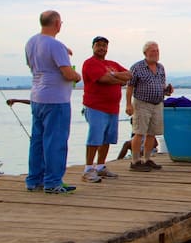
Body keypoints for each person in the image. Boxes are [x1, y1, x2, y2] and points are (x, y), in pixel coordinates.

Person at [24, 10, 81, 194]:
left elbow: (33, 64)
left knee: (38, 140)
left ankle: (34, 179)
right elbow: (67, 73)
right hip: (56, 99)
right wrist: (77, 76)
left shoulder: (31, 42)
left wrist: (63, 50)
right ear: (57, 23)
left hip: (37, 96)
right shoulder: (55, 45)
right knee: (56, 141)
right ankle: (53, 181)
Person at [80, 36, 131, 182]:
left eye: (104, 45)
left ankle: (101, 166)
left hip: (112, 108)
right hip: (95, 107)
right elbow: (103, 79)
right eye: (98, 45)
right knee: (95, 137)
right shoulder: (90, 63)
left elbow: (129, 75)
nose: (101, 48)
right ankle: (88, 169)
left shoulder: (112, 64)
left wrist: (113, 75)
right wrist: (117, 79)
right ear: (93, 47)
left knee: (106, 138)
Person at [125, 41, 173, 172]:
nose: (156, 53)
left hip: (157, 104)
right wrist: (128, 104)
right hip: (142, 103)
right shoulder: (137, 67)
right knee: (139, 132)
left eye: (157, 51)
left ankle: (147, 159)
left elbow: (161, 86)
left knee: (152, 133)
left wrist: (167, 90)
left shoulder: (161, 68)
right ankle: (135, 161)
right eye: (152, 51)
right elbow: (130, 87)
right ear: (145, 53)